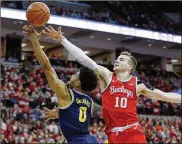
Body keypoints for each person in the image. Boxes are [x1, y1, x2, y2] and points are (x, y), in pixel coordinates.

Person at [42, 25, 182, 143]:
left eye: (121, 60)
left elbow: (165, 96)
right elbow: (84, 59)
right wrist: (62, 39)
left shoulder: (138, 84)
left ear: (129, 68)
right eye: (118, 58)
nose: (117, 60)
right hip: (112, 135)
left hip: (132, 132)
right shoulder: (106, 76)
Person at [23, 25, 99, 144]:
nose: (71, 76)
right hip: (91, 140)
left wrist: (34, 41)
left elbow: (47, 67)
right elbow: (77, 115)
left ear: (78, 83)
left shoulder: (65, 92)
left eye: (75, 75)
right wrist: (60, 113)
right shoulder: (89, 101)